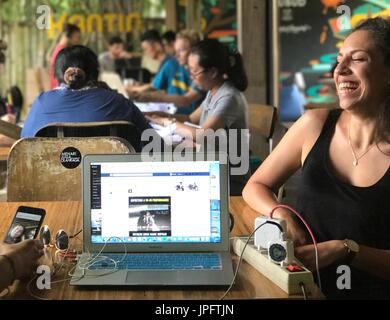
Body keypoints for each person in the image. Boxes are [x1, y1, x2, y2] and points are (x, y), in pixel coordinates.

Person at [242, 17, 390, 299]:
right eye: (339, 59)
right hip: (300, 289)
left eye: (357, 59)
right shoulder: (314, 124)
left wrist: (346, 250)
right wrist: (281, 213)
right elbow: (256, 185)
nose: (340, 70)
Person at [147, 39, 250, 195]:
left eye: (194, 72)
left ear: (213, 72)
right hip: (211, 168)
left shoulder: (228, 96)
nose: (192, 77)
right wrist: (157, 116)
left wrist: (170, 123)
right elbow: (189, 118)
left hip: (227, 180)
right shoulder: (213, 91)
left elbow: (203, 135)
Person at [21, 45, 153, 151]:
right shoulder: (118, 102)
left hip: (50, 182)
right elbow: (155, 146)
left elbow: (23, 147)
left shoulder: (41, 102)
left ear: (56, 74)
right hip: (109, 182)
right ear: (95, 74)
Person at [134, 29, 204, 115]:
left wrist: (152, 96)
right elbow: (156, 87)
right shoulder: (174, 63)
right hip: (173, 114)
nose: (176, 55)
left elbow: (186, 100)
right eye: (176, 51)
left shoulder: (200, 73)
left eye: (181, 50)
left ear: (194, 51)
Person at [49, 23, 81, 89]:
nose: (78, 40)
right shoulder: (63, 51)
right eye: (77, 37)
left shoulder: (58, 48)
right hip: (61, 89)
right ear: (72, 35)